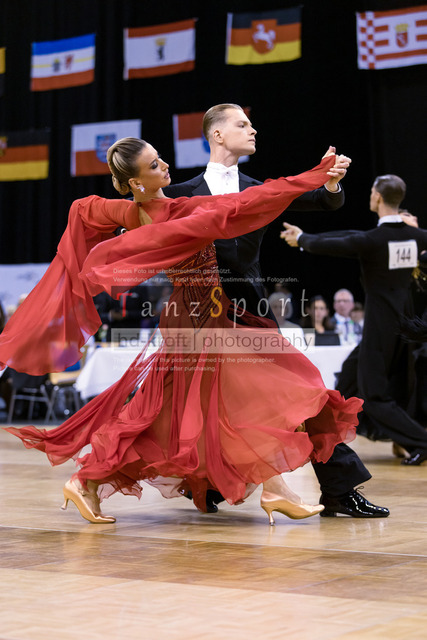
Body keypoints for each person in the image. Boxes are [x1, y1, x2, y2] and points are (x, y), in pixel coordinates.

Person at [0, 137, 364, 525]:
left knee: (162, 415)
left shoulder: (134, 211)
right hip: (198, 322)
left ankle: (86, 480)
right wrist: (313, 174)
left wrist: (314, 177)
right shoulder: (179, 213)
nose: (165, 167)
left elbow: (82, 207)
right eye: (154, 166)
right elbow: (250, 201)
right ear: (136, 182)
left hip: (203, 316)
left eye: (160, 159)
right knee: (260, 390)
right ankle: (275, 490)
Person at [164, 103, 389, 518]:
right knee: (201, 405)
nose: (253, 130)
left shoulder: (260, 189)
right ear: (216, 134)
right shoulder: (181, 193)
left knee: (304, 393)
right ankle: (208, 484)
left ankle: (339, 490)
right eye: (242, 124)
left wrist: (332, 183)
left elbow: (322, 202)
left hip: (250, 312)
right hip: (200, 316)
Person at [282, 174, 427, 465]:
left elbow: (344, 242)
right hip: (407, 326)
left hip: (380, 326)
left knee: (373, 396)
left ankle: (420, 442)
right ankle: (325, 439)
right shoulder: (417, 237)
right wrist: (305, 238)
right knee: (358, 379)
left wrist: (302, 239)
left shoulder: (373, 240)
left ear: (377, 197)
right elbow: (349, 235)